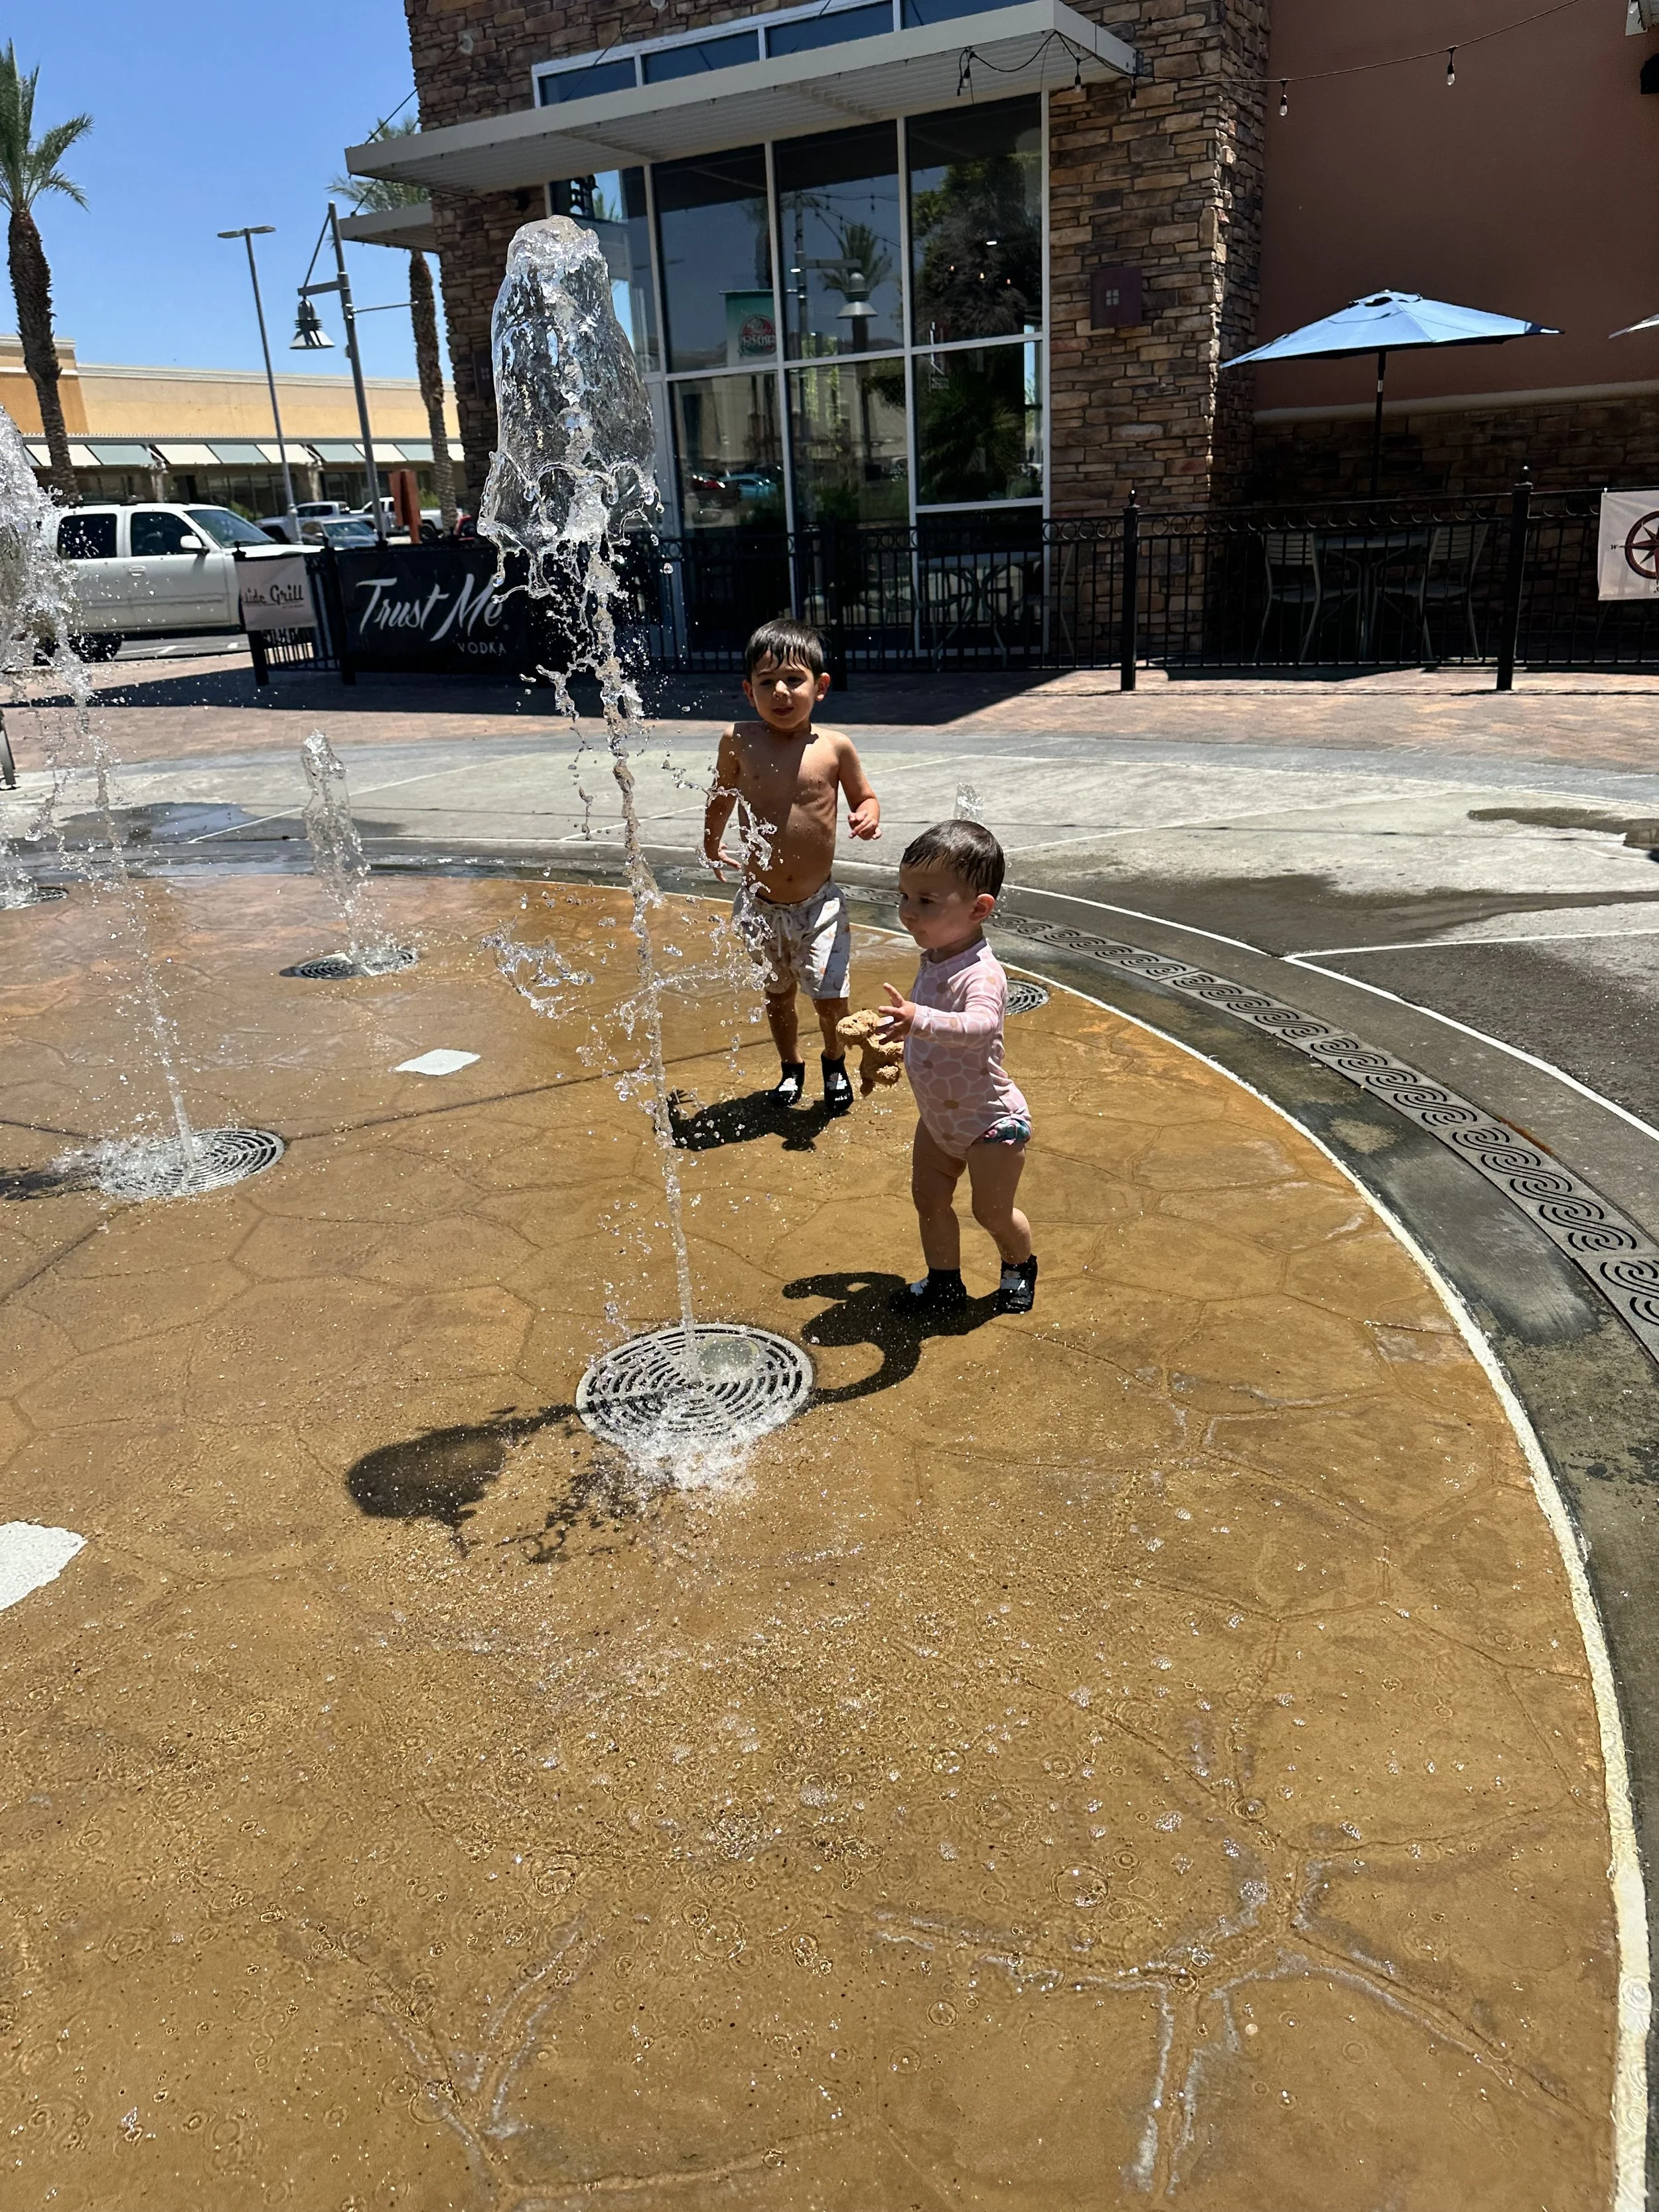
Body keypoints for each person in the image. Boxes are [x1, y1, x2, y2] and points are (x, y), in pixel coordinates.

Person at [703, 617, 882, 1112]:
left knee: (830, 999)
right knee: (778, 995)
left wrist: (868, 814)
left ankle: (833, 1060)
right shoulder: (738, 740)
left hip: (819, 904)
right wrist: (711, 842)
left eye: (794, 680)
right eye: (766, 682)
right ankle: (790, 1066)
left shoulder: (834, 747)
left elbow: (865, 796)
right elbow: (721, 796)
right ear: (748, 690)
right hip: (760, 906)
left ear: (820, 687)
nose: (780, 691)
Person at [879, 819, 1038, 1316]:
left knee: (990, 1210)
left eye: (926, 901)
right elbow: (935, 1030)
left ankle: (1018, 1266)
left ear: (979, 908)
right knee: (929, 1200)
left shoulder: (982, 973)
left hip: (990, 1122)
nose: (907, 911)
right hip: (940, 1119)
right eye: (904, 895)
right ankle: (944, 1281)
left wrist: (918, 1019)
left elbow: (980, 1026)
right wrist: (900, 1037)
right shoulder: (937, 956)